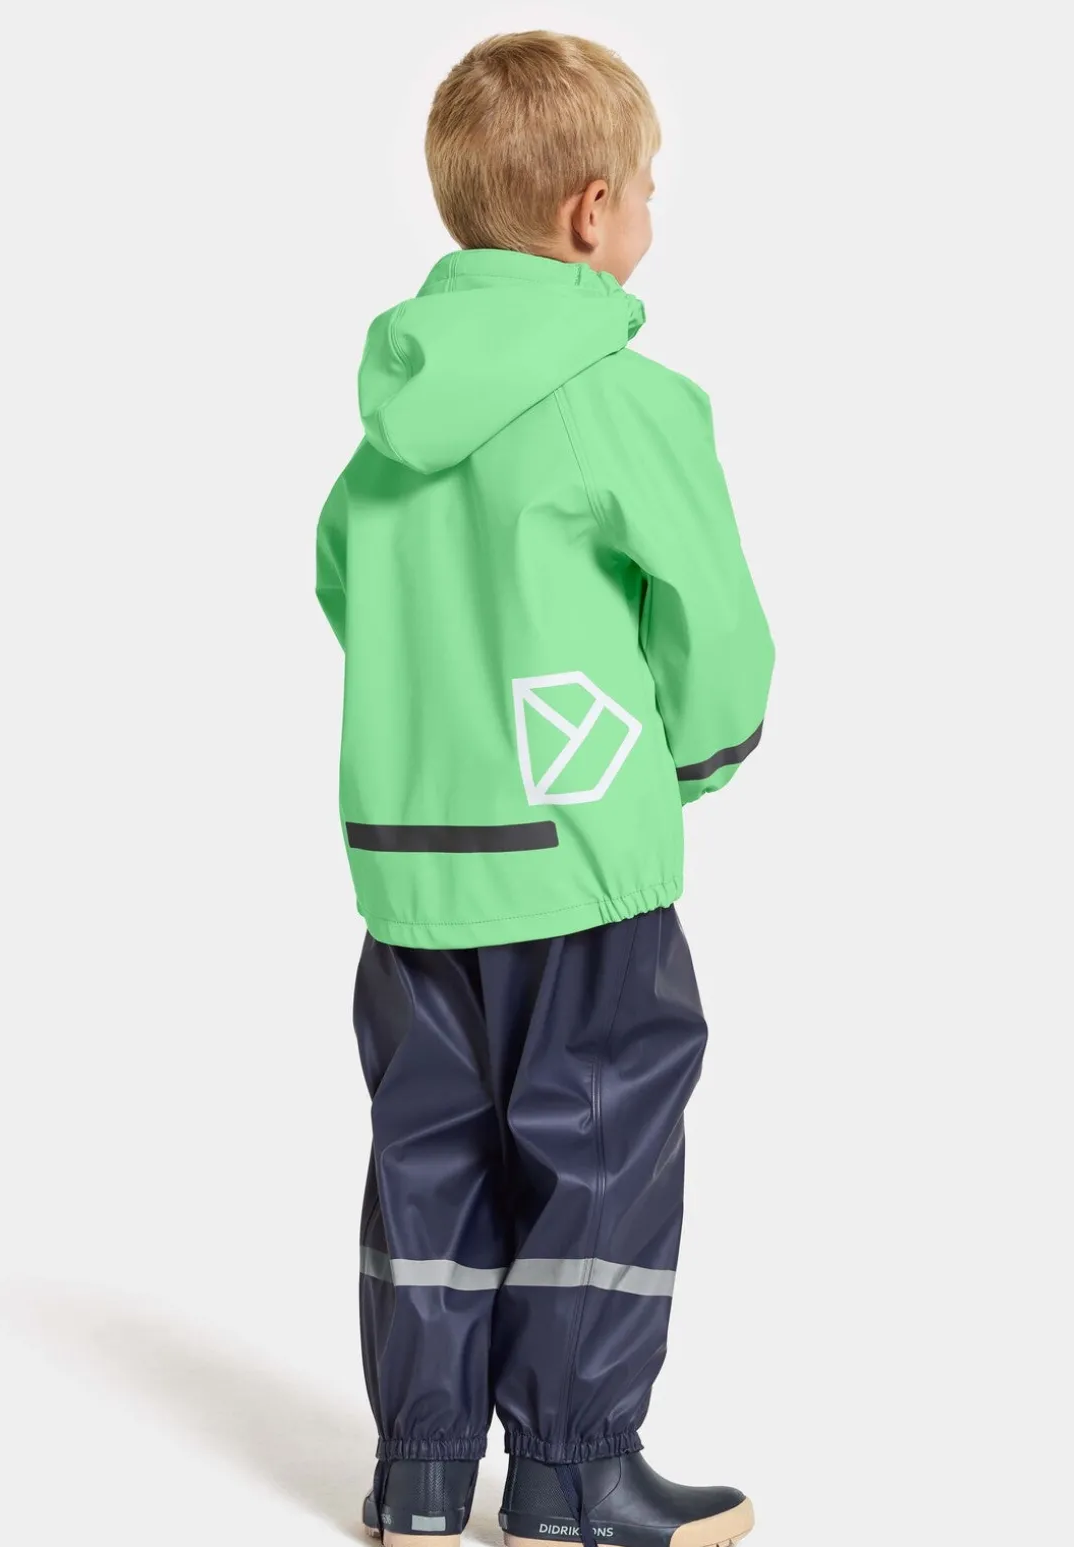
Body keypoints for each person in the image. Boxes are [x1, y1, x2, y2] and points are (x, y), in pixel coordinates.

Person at [316, 31, 774, 1547]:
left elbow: (344, 583)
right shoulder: (628, 400)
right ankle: (573, 1479)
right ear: (591, 213)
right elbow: (715, 626)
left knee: (427, 1155)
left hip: (414, 865)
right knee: (599, 1149)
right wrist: (693, 759)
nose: (649, 213)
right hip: (580, 866)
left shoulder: (390, 425)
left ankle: (422, 1479)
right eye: (646, 188)